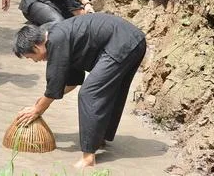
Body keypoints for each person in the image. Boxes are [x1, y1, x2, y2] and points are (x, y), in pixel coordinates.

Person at [13, 13, 147, 168]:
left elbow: (54, 85)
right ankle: (99, 138)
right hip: (132, 41)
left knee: (89, 94)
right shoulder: (57, 36)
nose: (36, 61)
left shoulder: (56, 40)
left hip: (123, 42)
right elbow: (70, 83)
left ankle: (89, 157)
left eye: (31, 57)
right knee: (110, 90)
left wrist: (38, 109)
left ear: (37, 46)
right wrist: (42, 101)